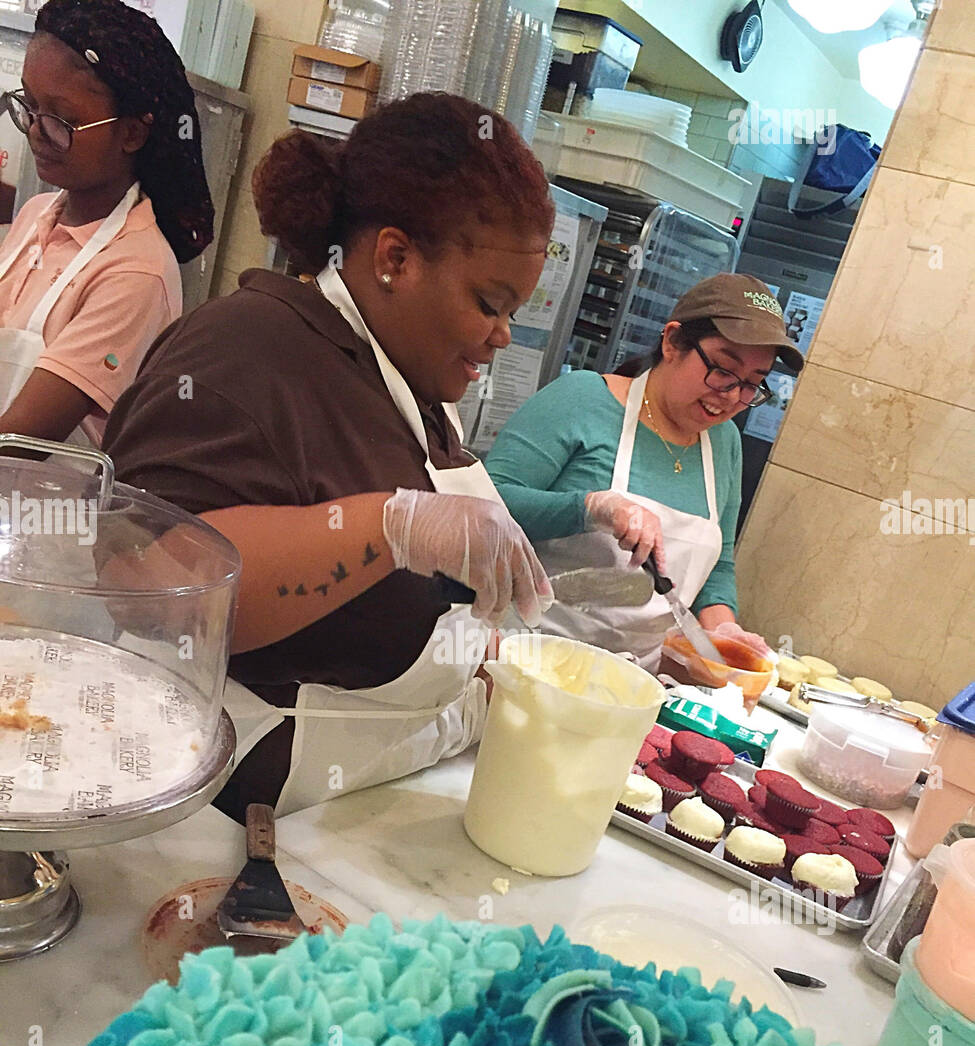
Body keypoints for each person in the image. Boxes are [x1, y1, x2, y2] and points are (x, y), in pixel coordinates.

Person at [101, 94, 555, 821]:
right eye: (489, 303)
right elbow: (148, 584)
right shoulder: (244, 348)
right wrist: (386, 528)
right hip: (218, 824)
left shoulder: (408, 382)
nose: (501, 336)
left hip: (349, 810)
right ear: (395, 258)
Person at [486, 274, 804, 669]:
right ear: (672, 342)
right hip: (514, 663)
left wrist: (722, 631)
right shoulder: (583, 399)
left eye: (751, 385)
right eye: (723, 371)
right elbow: (484, 505)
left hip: (626, 688)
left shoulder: (724, 444)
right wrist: (588, 509)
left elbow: (718, 562)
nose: (732, 398)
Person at [0, 0, 213, 445]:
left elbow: (19, 443)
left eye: (62, 120)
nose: (38, 130)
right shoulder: (37, 215)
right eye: (29, 106)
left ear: (133, 133)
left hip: (45, 508)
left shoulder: (136, 272)